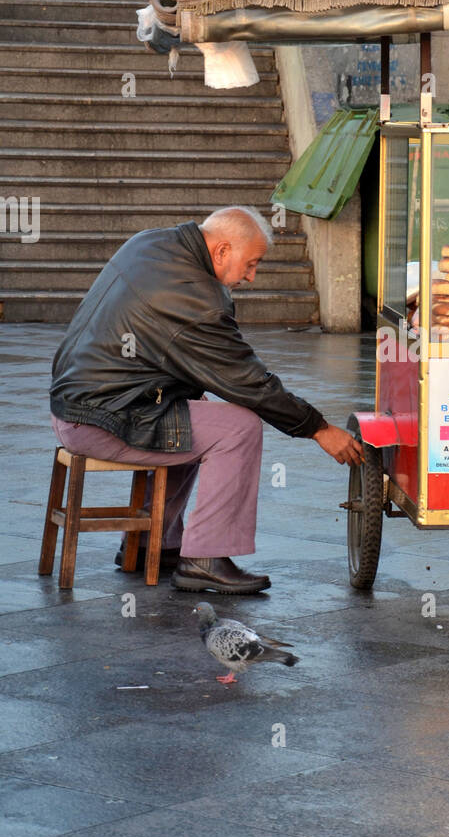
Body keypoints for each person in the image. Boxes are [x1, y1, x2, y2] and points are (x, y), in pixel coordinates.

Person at [49, 208, 363, 595]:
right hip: (102, 419)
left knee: (196, 410)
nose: (251, 276)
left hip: (77, 406)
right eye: (251, 264)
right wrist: (317, 428)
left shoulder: (150, 241)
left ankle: (155, 541)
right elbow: (248, 383)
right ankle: (205, 559)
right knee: (238, 428)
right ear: (222, 250)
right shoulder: (196, 296)